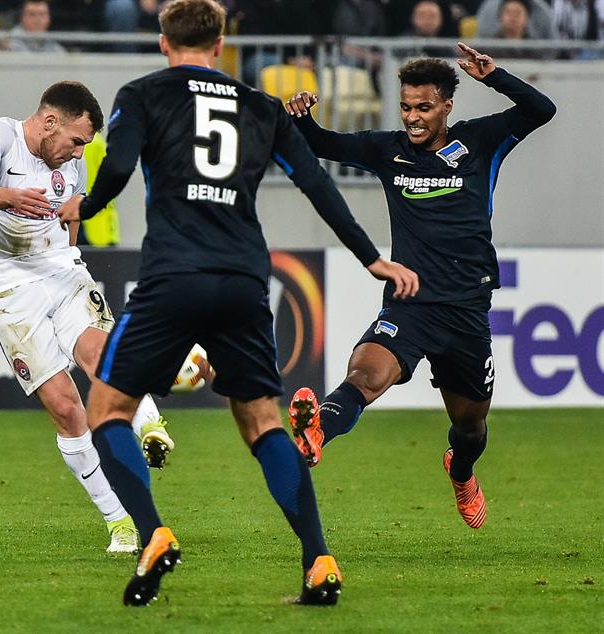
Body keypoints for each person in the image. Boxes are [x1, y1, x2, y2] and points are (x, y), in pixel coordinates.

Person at [57, 0, 418, 607]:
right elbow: (317, 182)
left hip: (173, 275)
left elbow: (117, 167)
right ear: (221, 44)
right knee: (263, 423)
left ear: (164, 43)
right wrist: (370, 257)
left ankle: (153, 532)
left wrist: (84, 206)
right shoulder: (260, 106)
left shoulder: (143, 94)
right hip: (245, 281)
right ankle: (318, 560)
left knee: (108, 409)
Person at [283, 44, 555, 530]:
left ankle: (462, 472)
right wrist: (302, 118)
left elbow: (541, 110)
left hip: (466, 309)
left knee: (470, 428)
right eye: (406, 107)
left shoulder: (480, 141)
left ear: (447, 106)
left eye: (424, 108)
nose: (412, 117)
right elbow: (322, 143)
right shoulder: (387, 150)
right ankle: (317, 428)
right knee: (364, 376)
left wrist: (495, 76)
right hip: (409, 303)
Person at [0, 80, 177, 554]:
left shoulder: (71, 166)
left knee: (100, 354)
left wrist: (69, 261)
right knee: (65, 407)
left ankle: (150, 425)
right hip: (7, 287)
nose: (78, 154)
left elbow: (71, 221)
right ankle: (119, 521)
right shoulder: (0, 134)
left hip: (61, 272)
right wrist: (12, 197)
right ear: (50, 121)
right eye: (76, 141)